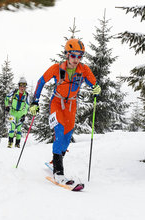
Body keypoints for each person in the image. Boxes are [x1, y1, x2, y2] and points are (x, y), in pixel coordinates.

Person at [29, 38, 101, 184]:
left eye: (79, 56)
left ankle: (56, 160)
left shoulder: (84, 69)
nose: (76, 59)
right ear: (67, 54)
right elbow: (41, 81)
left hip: (71, 105)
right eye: (73, 55)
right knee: (59, 131)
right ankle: (58, 171)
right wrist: (35, 101)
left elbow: (94, 83)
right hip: (57, 102)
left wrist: (96, 88)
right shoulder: (56, 68)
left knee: (67, 138)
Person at [5, 77, 29, 148]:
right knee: (12, 127)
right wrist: (7, 106)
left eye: (24, 86)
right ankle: (10, 143)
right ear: (18, 86)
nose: (22, 88)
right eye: (21, 86)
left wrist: (24, 115)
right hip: (12, 112)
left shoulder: (26, 95)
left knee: (19, 129)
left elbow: (27, 106)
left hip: (20, 113)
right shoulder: (14, 92)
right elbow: (6, 97)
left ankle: (17, 144)